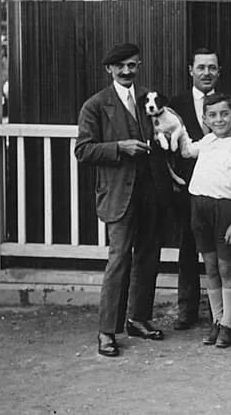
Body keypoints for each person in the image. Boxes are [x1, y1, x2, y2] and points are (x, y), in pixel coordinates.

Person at [74, 42, 172, 357]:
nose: (128, 71)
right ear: (109, 69)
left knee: (148, 256)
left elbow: (166, 132)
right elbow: (83, 150)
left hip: (151, 191)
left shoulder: (149, 99)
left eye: (132, 65)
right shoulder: (96, 105)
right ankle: (107, 331)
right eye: (121, 66)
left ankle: (138, 318)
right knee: (119, 259)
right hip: (119, 193)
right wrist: (120, 147)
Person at [179, 93, 231, 348]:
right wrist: (170, 123)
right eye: (212, 115)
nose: (218, 119)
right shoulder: (206, 142)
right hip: (200, 208)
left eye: (224, 114)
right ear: (205, 119)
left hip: (227, 210)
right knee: (209, 267)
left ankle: (228, 323)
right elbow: (186, 150)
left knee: (226, 268)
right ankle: (216, 320)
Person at [169, 48, 220, 330]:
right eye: (201, 67)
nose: (206, 73)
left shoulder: (226, 104)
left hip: (219, 188)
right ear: (191, 70)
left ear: (218, 71)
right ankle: (187, 309)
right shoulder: (175, 105)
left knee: (221, 253)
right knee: (188, 249)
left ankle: (221, 313)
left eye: (212, 67)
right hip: (187, 189)